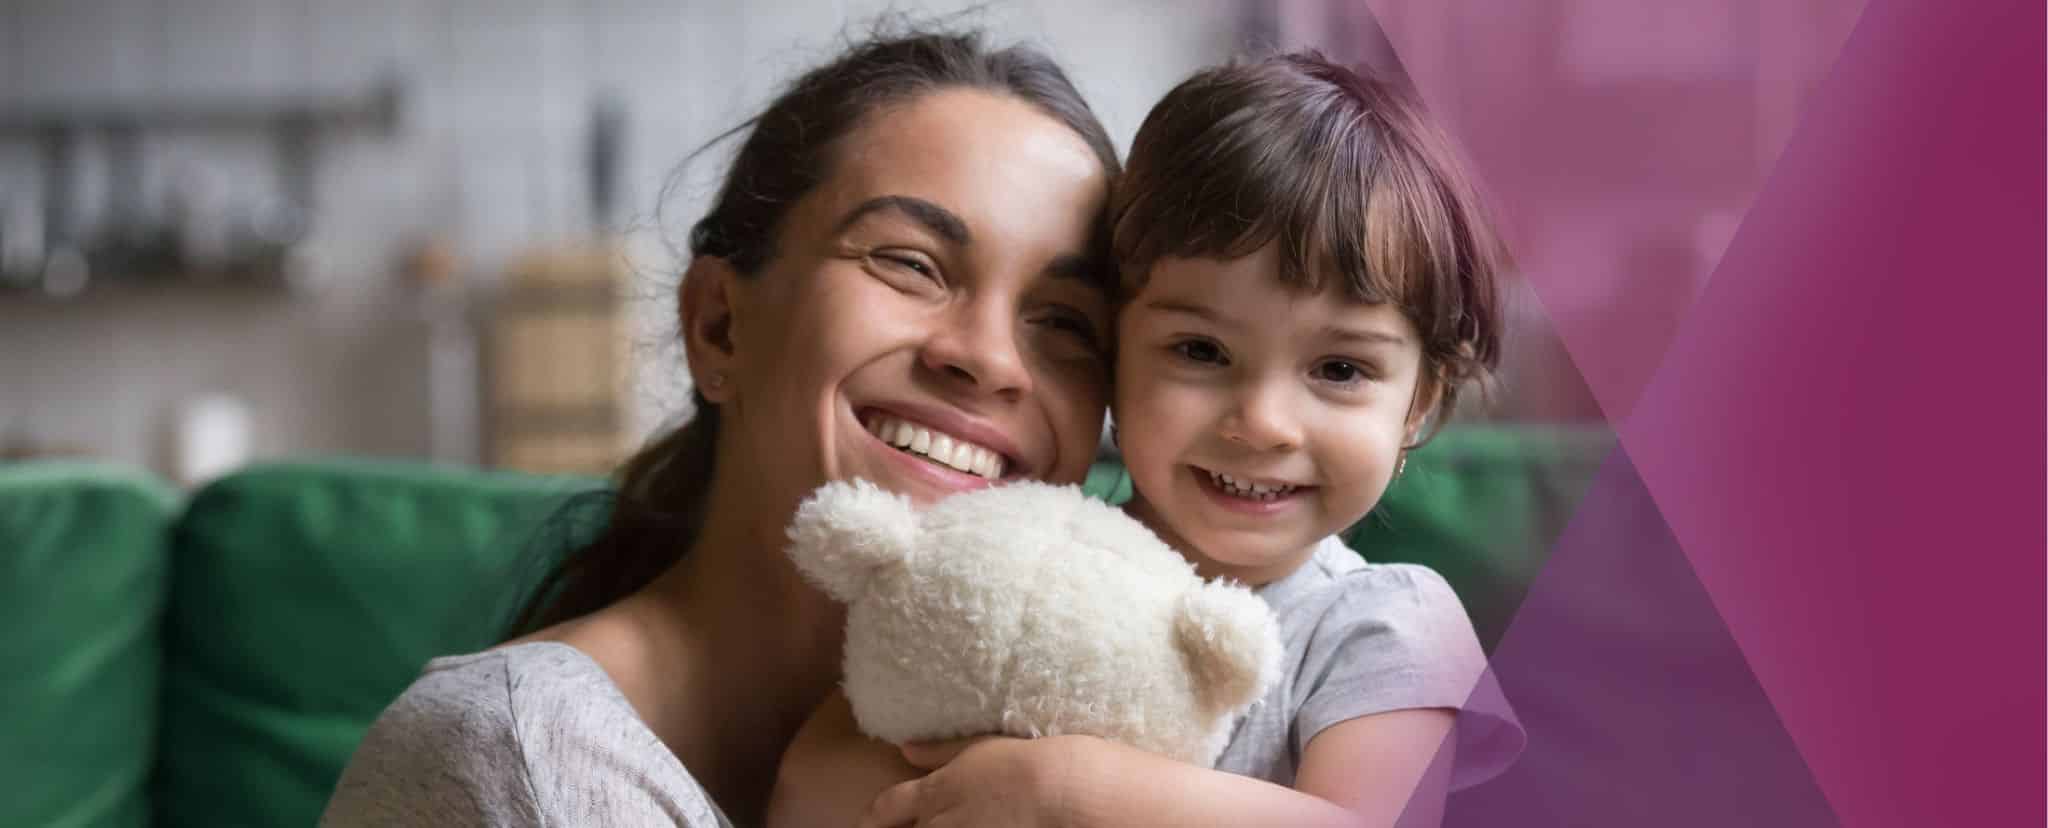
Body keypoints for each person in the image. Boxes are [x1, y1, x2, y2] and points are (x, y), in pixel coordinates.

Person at [319, 27, 1124, 827]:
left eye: (1067, 322)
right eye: (911, 263)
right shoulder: (520, 755)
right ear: (719, 328)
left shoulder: (1089, 765)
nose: (990, 360)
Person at [769, 51, 1524, 828]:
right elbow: (814, 781)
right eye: (1200, 351)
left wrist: (1074, 793)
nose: (1262, 423)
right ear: (1115, 354)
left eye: (1339, 368)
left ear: (1416, 405)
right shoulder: (1024, 554)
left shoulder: (1381, 624)